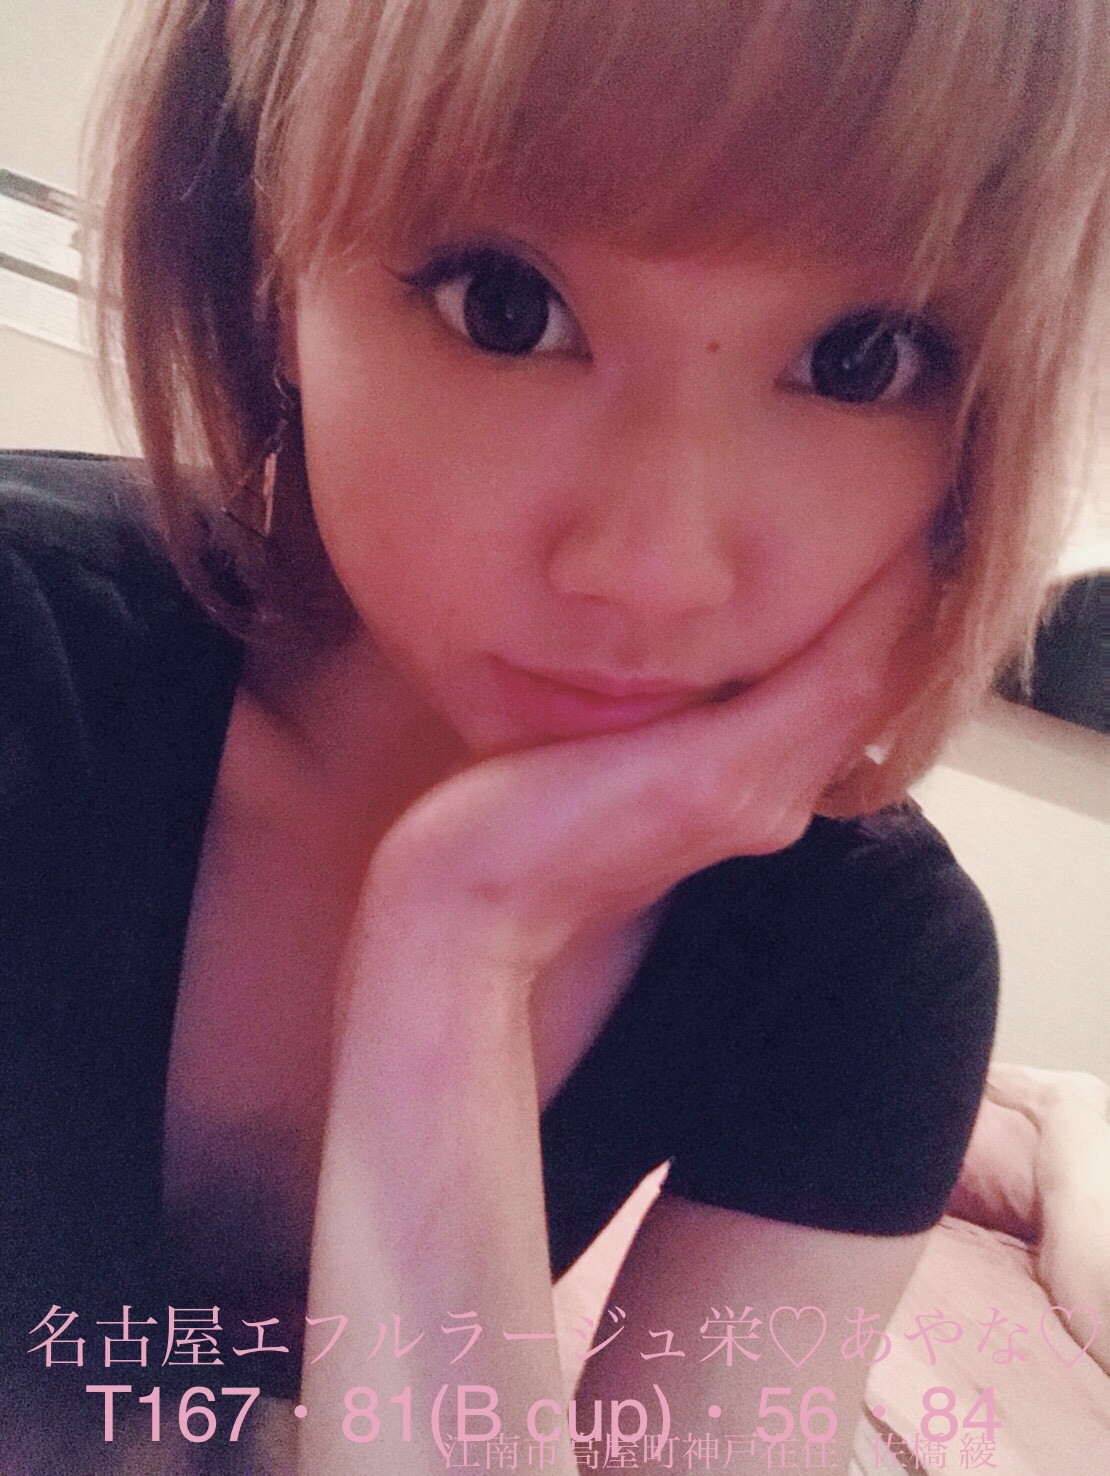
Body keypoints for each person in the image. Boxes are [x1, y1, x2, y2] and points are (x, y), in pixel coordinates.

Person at [1, 0, 1105, 1470]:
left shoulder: (868, 955)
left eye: (860, 359)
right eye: (504, 307)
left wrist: (457, 942)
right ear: (268, 276)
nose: (656, 569)